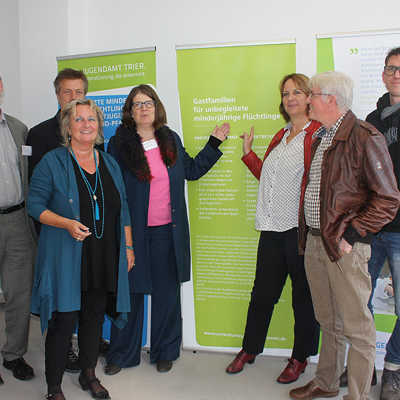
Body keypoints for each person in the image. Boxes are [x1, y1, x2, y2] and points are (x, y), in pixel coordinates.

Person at [290, 71, 400, 400]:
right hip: (314, 241)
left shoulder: (364, 136)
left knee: (358, 329)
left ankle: (358, 395)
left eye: (312, 94)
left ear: (330, 100)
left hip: (344, 248)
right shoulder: (322, 135)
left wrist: (352, 235)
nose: (307, 99)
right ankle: (326, 382)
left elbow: (389, 199)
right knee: (328, 320)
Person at [104, 84, 229, 374]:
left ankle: (165, 351)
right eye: (136, 104)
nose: (143, 108)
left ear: (156, 107)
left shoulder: (169, 138)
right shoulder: (118, 144)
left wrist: (214, 143)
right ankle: (122, 353)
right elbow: (115, 192)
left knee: (166, 294)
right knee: (130, 295)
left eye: (147, 102)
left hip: (167, 233)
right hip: (132, 233)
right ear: (129, 111)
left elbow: (191, 170)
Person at [27, 99, 133, 400]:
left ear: (99, 126)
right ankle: (54, 388)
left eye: (92, 119)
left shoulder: (108, 162)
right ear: (68, 127)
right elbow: (35, 206)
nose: (87, 124)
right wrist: (66, 223)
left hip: (103, 255)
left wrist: (128, 247)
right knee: (63, 321)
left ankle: (89, 375)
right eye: (79, 119)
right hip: (66, 255)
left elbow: (122, 207)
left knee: (93, 317)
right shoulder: (53, 161)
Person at [225, 73, 320, 383]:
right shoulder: (281, 135)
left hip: (299, 232)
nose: (290, 97)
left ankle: (300, 357)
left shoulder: (316, 134)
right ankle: (250, 348)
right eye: (285, 93)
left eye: (296, 92)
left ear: (309, 97)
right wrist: (248, 153)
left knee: (302, 298)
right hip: (270, 228)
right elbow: (269, 178)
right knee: (262, 294)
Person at [26, 68, 106, 373]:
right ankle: (66, 351)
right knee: (61, 301)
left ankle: (87, 344)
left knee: (88, 295)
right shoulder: (39, 134)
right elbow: (36, 193)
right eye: (66, 92)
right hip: (57, 233)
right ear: (57, 94)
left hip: (91, 234)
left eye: (79, 92)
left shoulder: (94, 134)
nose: (73, 98)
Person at [364, 47, 400, 400]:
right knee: (360, 299)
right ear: (383, 74)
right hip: (372, 228)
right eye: (391, 68)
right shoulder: (371, 120)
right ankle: (364, 366)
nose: (395, 74)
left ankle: (392, 367)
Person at [0, 74, 36, 385]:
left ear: (1, 88)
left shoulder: (18, 128)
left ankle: (13, 354)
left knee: (19, 293)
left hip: (17, 221)